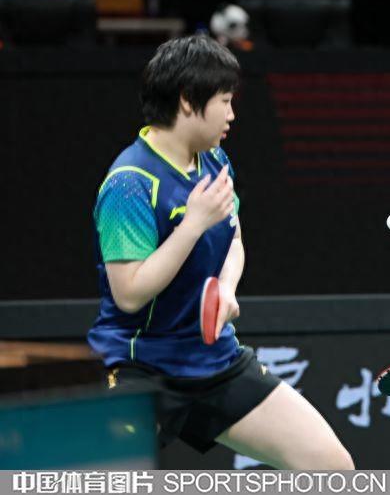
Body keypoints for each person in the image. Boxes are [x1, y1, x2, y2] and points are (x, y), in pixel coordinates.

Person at [87, 35, 353, 469]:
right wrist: (192, 224)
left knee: (333, 469)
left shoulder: (213, 161)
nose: (232, 114)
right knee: (107, 479)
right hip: (142, 368)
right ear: (188, 100)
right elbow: (129, 293)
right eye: (224, 101)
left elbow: (234, 240)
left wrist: (226, 288)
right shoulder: (129, 183)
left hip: (214, 361)